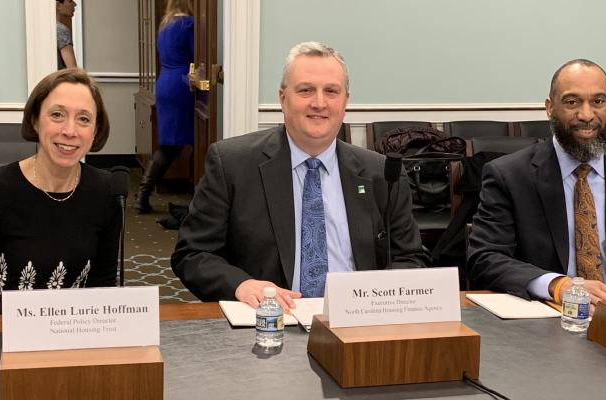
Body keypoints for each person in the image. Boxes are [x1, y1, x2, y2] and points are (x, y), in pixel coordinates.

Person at [172, 42, 429, 308]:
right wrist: (241, 284)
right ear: (283, 98)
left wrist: (380, 298)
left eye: (331, 91)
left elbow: (410, 258)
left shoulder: (382, 174)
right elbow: (193, 254)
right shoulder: (232, 165)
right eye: (306, 90)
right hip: (267, 323)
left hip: (357, 324)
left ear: (345, 101)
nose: (319, 103)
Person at [466, 59, 606, 307]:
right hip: (548, 314)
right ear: (549, 107)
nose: (586, 115)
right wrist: (558, 285)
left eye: (598, 102)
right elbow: (485, 258)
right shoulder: (510, 176)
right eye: (572, 102)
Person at [0, 69, 121, 315]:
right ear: (35, 120)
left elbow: (103, 288)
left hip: (75, 335)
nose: (70, 130)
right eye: (57, 115)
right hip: (4, 337)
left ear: (96, 130)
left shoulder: (108, 191)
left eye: (84, 119)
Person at [135, 0, 195, 213]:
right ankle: (144, 194)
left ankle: (143, 193)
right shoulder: (188, 24)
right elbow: (198, 56)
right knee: (177, 145)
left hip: (165, 82)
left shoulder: (165, 25)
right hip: (182, 85)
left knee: (171, 143)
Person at [56, 0, 77, 69]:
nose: (75, 4)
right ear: (58, 5)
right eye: (70, 1)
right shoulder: (61, 30)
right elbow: (72, 69)